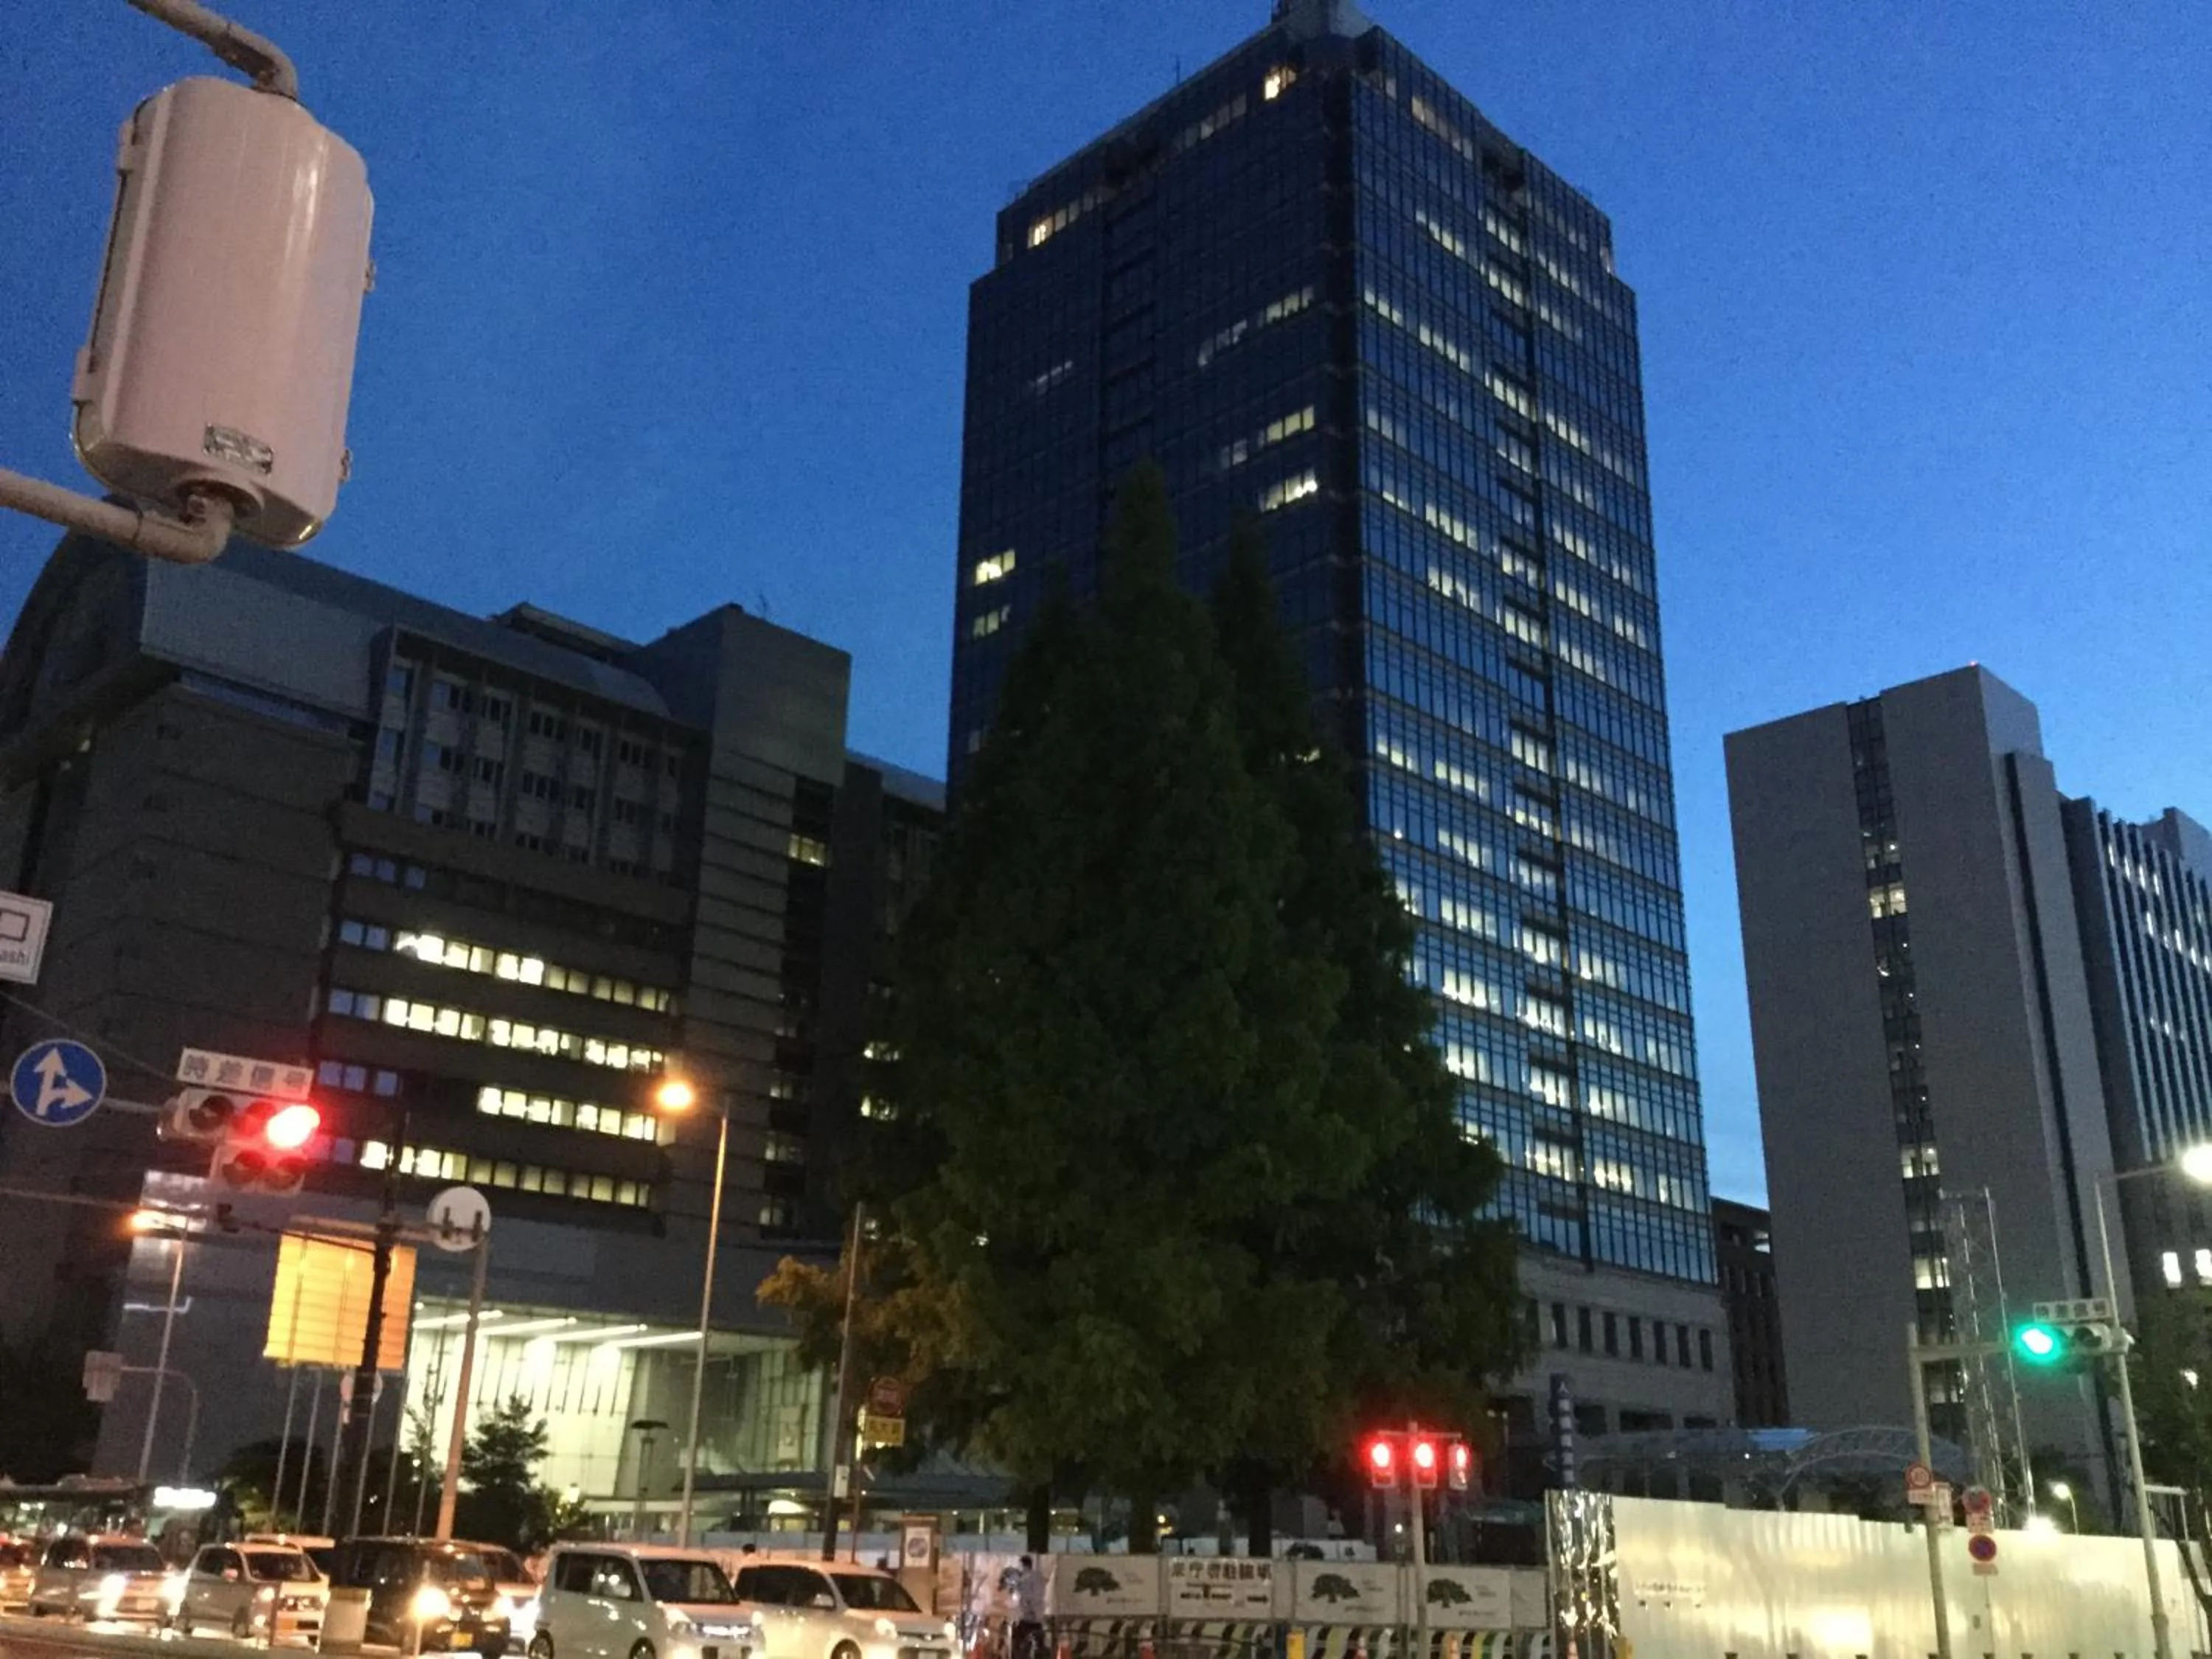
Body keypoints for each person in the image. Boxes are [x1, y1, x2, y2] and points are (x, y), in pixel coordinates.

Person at [1011, 1555, 1046, 1659]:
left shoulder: (1026, 1578)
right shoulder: (1038, 1576)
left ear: (1023, 1565)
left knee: (1019, 1643)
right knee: (1038, 1644)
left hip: (1028, 1616)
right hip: (1036, 1616)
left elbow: (1024, 1596)